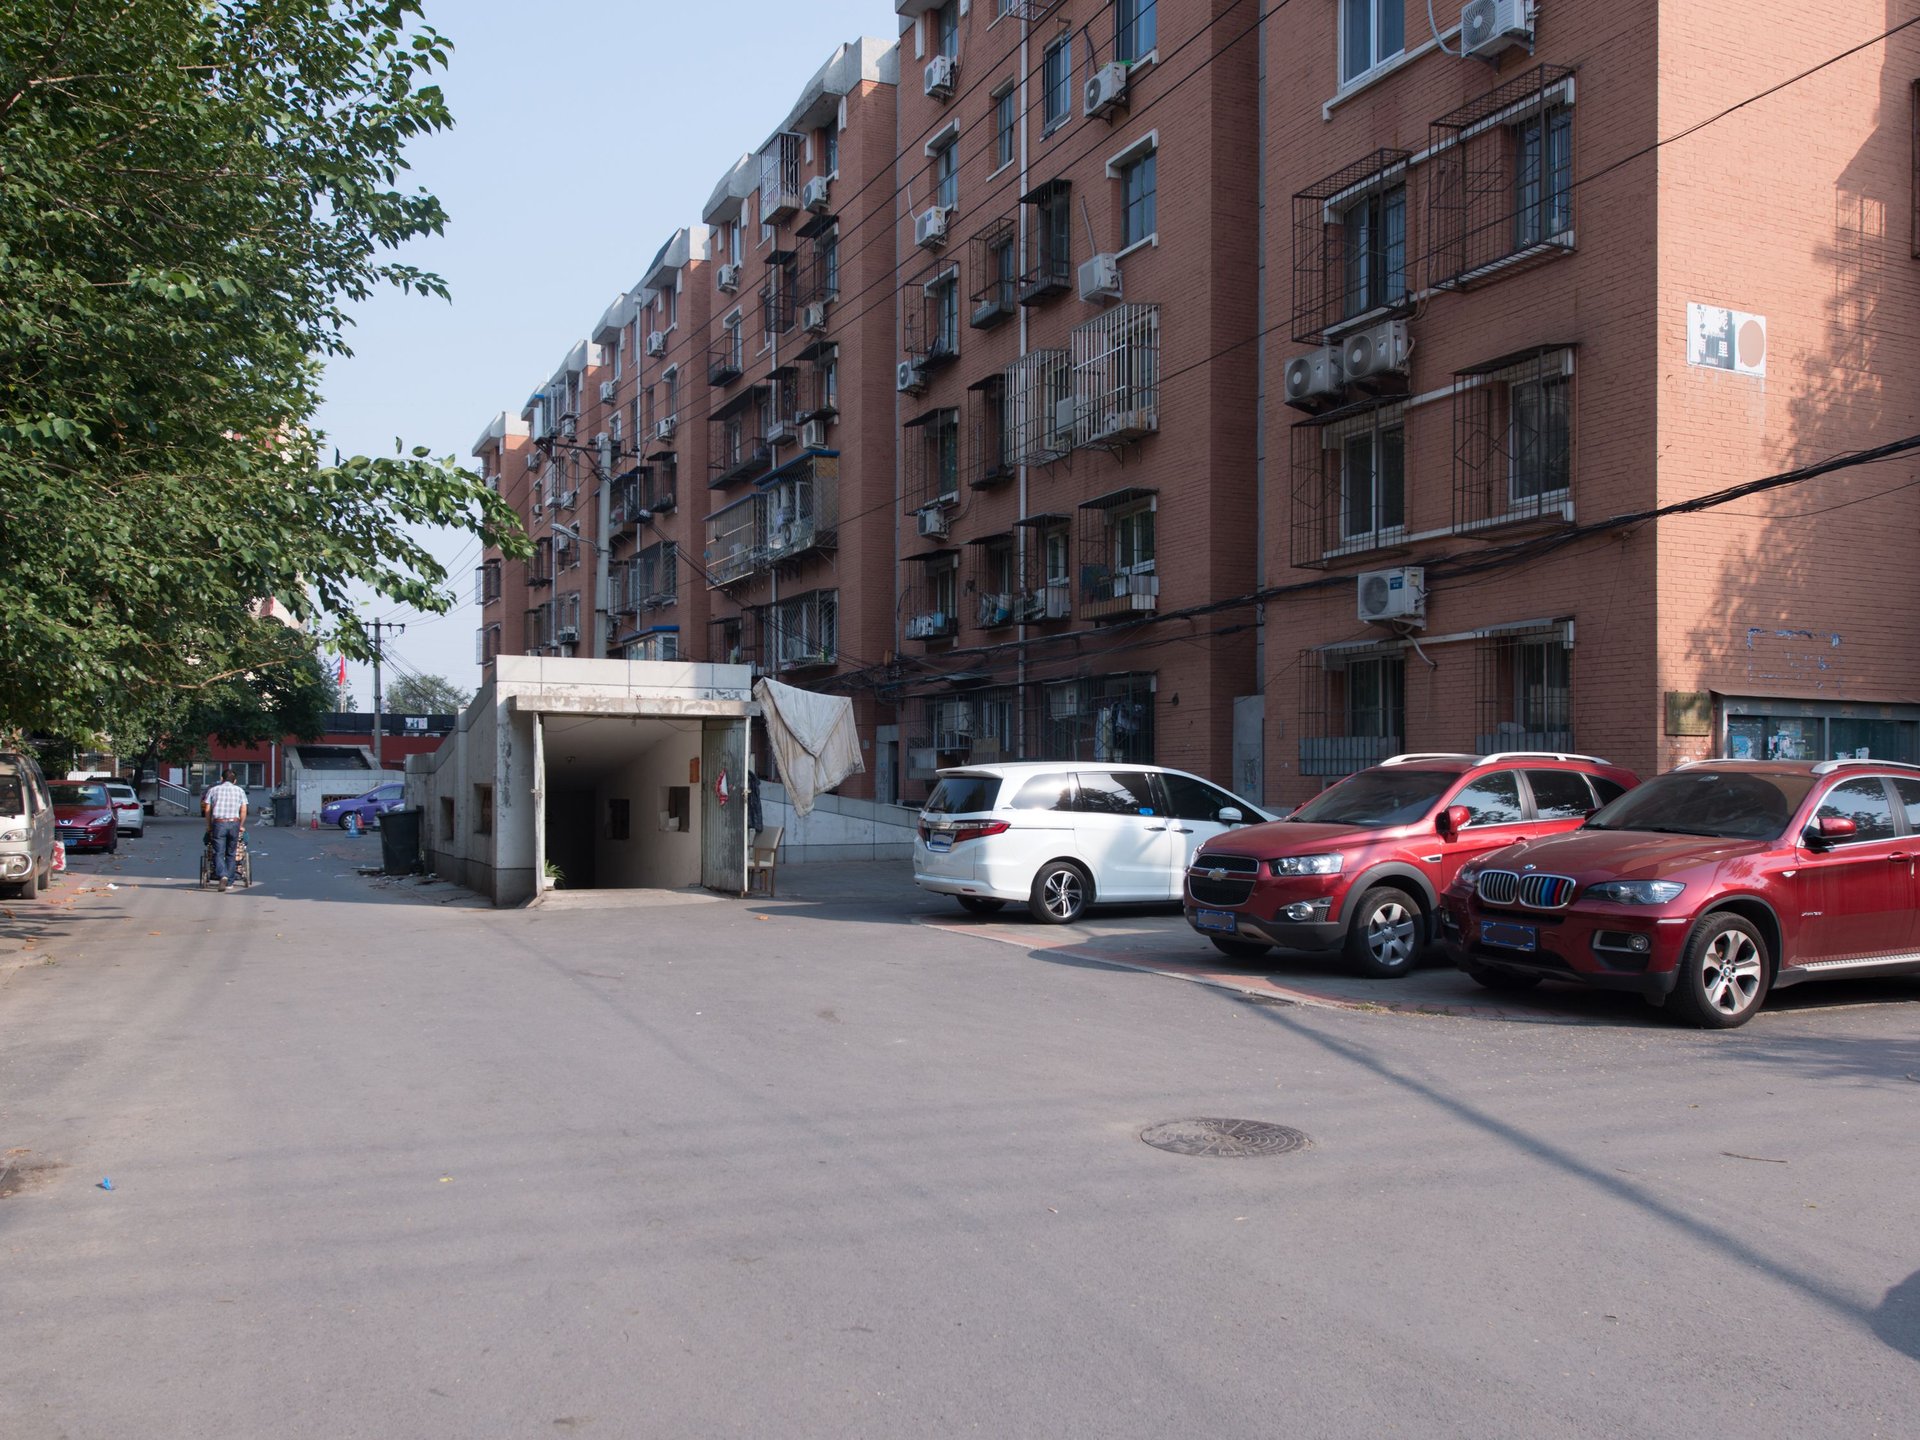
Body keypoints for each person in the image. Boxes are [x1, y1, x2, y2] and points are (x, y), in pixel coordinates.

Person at [202, 767, 249, 892]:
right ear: (235, 781)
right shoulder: (240, 791)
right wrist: (241, 825)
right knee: (231, 853)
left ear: (221, 779)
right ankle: (229, 882)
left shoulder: (213, 790)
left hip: (219, 824)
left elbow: (207, 809)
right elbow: (243, 809)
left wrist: (209, 825)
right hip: (234, 823)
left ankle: (222, 874)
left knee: (218, 852)